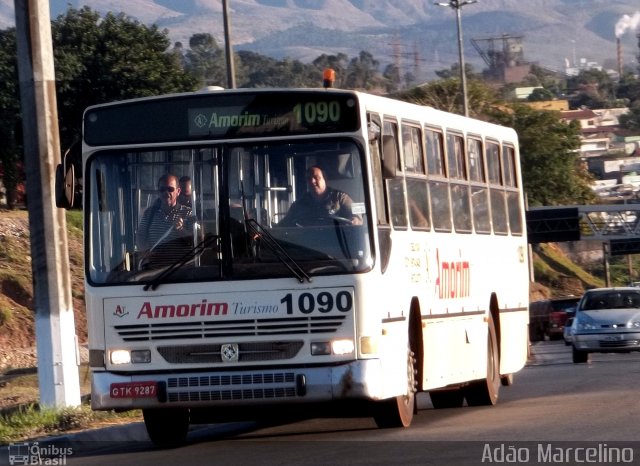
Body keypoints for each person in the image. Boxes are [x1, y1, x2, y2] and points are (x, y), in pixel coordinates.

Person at [136, 174, 195, 267]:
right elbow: (140, 237)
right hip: (155, 270)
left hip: (180, 270)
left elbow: (196, 243)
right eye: (162, 189)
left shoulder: (188, 213)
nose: (166, 192)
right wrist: (145, 251)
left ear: (178, 191)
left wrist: (180, 230)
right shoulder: (149, 213)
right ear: (158, 192)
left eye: (170, 189)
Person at [278, 166, 362, 227]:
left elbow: (357, 217)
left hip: (336, 243)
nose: (312, 181)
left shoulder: (341, 198)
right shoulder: (300, 203)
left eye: (316, 177)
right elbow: (285, 224)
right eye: (308, 178)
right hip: (308, 245)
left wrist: (355, 220)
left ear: (324, 179)